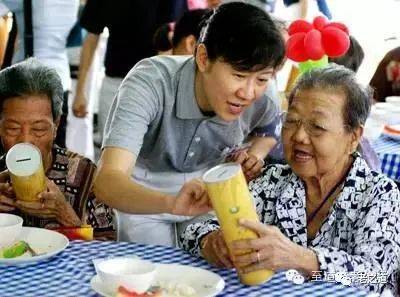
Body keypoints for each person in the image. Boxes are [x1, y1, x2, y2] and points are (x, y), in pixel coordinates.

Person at [181, 65, 400, 295]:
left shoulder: (379, 194)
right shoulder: (273, 181)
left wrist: (302, 259)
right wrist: (211, 242)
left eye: (317, 127)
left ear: (353, 136)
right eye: (292, 121)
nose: (299, 136)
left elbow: (376, 276)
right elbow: (194, 231)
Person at [93, 2, 285, 246]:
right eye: (239, 75)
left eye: (261, 78)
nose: (248, 93)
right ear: (203, 58)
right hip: (142, 186)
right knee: (154, 273)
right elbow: (108, 180)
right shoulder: (150, 82)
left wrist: (254, 154)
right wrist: (170, 203)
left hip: (208, 189)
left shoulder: (265, 94)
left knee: (210, 271)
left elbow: (270, 130)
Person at [0, 59, 115, 239]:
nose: (25, 140)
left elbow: (108, 251)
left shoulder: (84, 175)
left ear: (56, 126)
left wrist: (65, 215)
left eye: (38, 129)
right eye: (12, 128)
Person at [72, 0, 173, 144]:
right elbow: (92, 35)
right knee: (109, 153)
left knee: (146, 160)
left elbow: (169, 40)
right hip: (114, 85)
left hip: (152, 86)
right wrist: (80, 91)